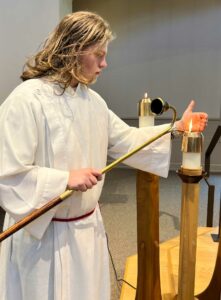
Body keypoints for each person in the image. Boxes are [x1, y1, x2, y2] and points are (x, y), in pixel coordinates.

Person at [0, 11, 208, 300]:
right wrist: (64, 179)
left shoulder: (92, 101)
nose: (104, 64)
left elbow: (129, 141)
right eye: (98, 54)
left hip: (85, 231)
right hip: (43, 240)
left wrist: (177, 128)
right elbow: (8, 174)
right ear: (73, 50)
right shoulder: (26, 100)